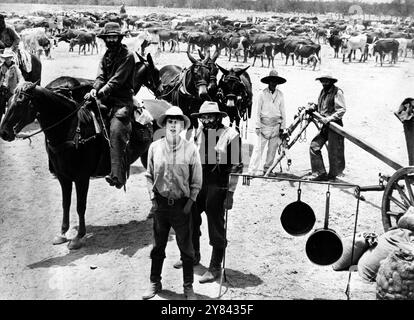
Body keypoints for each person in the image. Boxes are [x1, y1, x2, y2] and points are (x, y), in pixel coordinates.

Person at [174, 101, 243, 284]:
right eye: (203, 117)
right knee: (190, 219)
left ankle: (214, 267)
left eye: (210, 116)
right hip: (197, 184)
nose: (206, 120)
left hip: (218, 185)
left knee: (216, 225)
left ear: (219, 117)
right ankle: (193, 255)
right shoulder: (197, 132)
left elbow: (236, 167)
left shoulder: (232, 135)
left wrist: (230, 194)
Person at [143, 105, 203, 300]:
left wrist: (190, 203)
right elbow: (149, 175)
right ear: (165, 124)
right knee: (158, 246)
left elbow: (196, 181)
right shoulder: (155, 147)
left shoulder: (190, 149)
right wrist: (153, 199)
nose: (173, 125)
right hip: (160, 205)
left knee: (186, 249)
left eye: (177, 121)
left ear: (182, 125)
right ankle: (155, 281)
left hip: (181, 206)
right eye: (170, 121)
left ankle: (188, 286)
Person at [85, 22, 135, 189]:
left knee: (115, 130)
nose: (112, 40)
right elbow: (100, 77)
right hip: (105, 99)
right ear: (105, 39)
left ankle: (117, 176)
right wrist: (93, 89)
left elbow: (116, 81)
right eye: (109, 37)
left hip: (122, 102)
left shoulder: (128, 56)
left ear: (119, 38)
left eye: (115, 37)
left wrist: (100, 92)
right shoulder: (105, 56)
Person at [306, 74, 346, 181]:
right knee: (314, 146)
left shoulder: (337, 92)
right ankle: (320, 173)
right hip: (325, 125)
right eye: (322, 81)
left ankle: (333, 175)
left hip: (335, 125)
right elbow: (321, 107)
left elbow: (341, 110)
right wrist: (313, 107)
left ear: (331, 82)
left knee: (334, 151)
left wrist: (329, 118)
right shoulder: (323, 92)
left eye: (326, 82)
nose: (324, 84)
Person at [248, 70, 287, 177]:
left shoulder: (280, 95)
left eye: (275, 81)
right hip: (264, 124)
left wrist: (283, 127)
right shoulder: (262, 94)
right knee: (258, 149)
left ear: (277, 83)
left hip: (276, 125)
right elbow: (257, 111)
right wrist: (257, 126)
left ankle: (267, 169)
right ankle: (252, 171)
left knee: (272, 149)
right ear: (268, 82)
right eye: (271, 81)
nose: (273, 83)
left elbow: (283, 111)